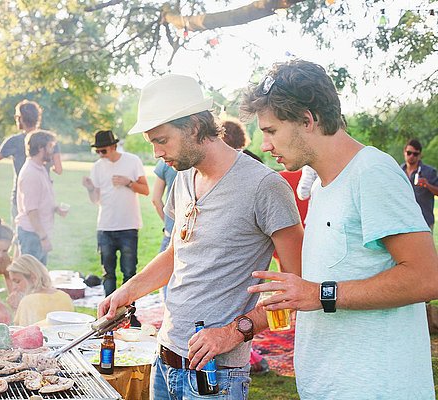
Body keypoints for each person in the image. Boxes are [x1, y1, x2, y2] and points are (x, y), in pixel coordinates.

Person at [241, 59, 438, 399]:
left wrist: (320, 294)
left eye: (271, 131)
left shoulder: (372, 172)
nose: (265, 146)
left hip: (377, 387)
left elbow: (426, 277)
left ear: (307, 120)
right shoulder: (322, 184)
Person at [98, 74, 303, 400]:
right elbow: (176, 253)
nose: (156, 153)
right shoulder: (183, 180)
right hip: (164, 362)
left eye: (161, 140)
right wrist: (125, 292)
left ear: (194, 126)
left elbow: (296, 286)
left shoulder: (265, 187)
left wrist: (232, 334)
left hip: (216, 377)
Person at [0, 100, 62, 226]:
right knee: (42, 233)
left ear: (21, 119)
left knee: (21, 232)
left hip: (21, 197)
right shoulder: (49, 139)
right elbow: (59, 169)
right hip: (43, 195)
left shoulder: (14, 141)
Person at [81, 130, 150, 302]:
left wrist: (128, 182)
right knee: (108, 275)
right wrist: (90, 188)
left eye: (103, 151)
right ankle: (108, 315)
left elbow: (146, 190)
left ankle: (129, 314)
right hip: (105, 227)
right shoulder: (97, 167)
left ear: (114, 146)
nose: (100, 155)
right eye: (97, 151)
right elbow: (95, 199)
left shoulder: (132, 161)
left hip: (128, 226)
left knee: (129, 273)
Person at [16, 131, 67, 265]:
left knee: (39, 279)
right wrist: (43, 237)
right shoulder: (30, 174)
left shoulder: (40, 168)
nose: (52, 151)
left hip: (37, 234)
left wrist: (55, 208)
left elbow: (40, 200)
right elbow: (31, 211)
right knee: (32, 280)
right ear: (40, 148)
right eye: (50, 146)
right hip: (32, 236)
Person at [6, 254, 74, 326]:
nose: (14, 287)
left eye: (17, 281)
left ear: (33, 278)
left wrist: (16, 309)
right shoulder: (64, 296)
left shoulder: (28, 301)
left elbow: (22, 332)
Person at [401, 138, 438, 231]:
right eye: (409, 153)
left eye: (415, 154)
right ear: (404, 152)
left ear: (420, 155)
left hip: (424, 220)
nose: (411, 156)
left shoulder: (429, 172)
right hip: (402, 221)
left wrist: (427, 185)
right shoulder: (398, 171)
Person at [152, 158, 177, 253]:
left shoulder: (165, 162)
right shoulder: (198, 160)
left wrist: (168, 222)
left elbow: (155, 199)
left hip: (171, 231)